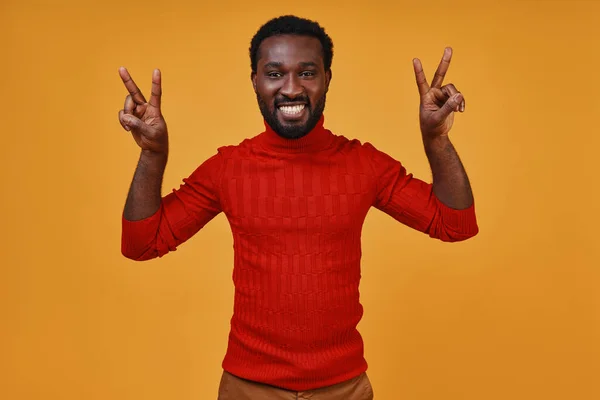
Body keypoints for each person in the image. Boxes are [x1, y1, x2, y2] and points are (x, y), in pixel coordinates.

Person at [117, 15, 478, 400]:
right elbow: (142, 244)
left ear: (327, 79)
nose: (291, 89)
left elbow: (453, 224)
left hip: (344, 388)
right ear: (255, 80)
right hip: (247, 388)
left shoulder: (364, 165)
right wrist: (154, 154)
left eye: (307, 73)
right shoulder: (228, 169)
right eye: (275, 74)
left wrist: (436, 139)